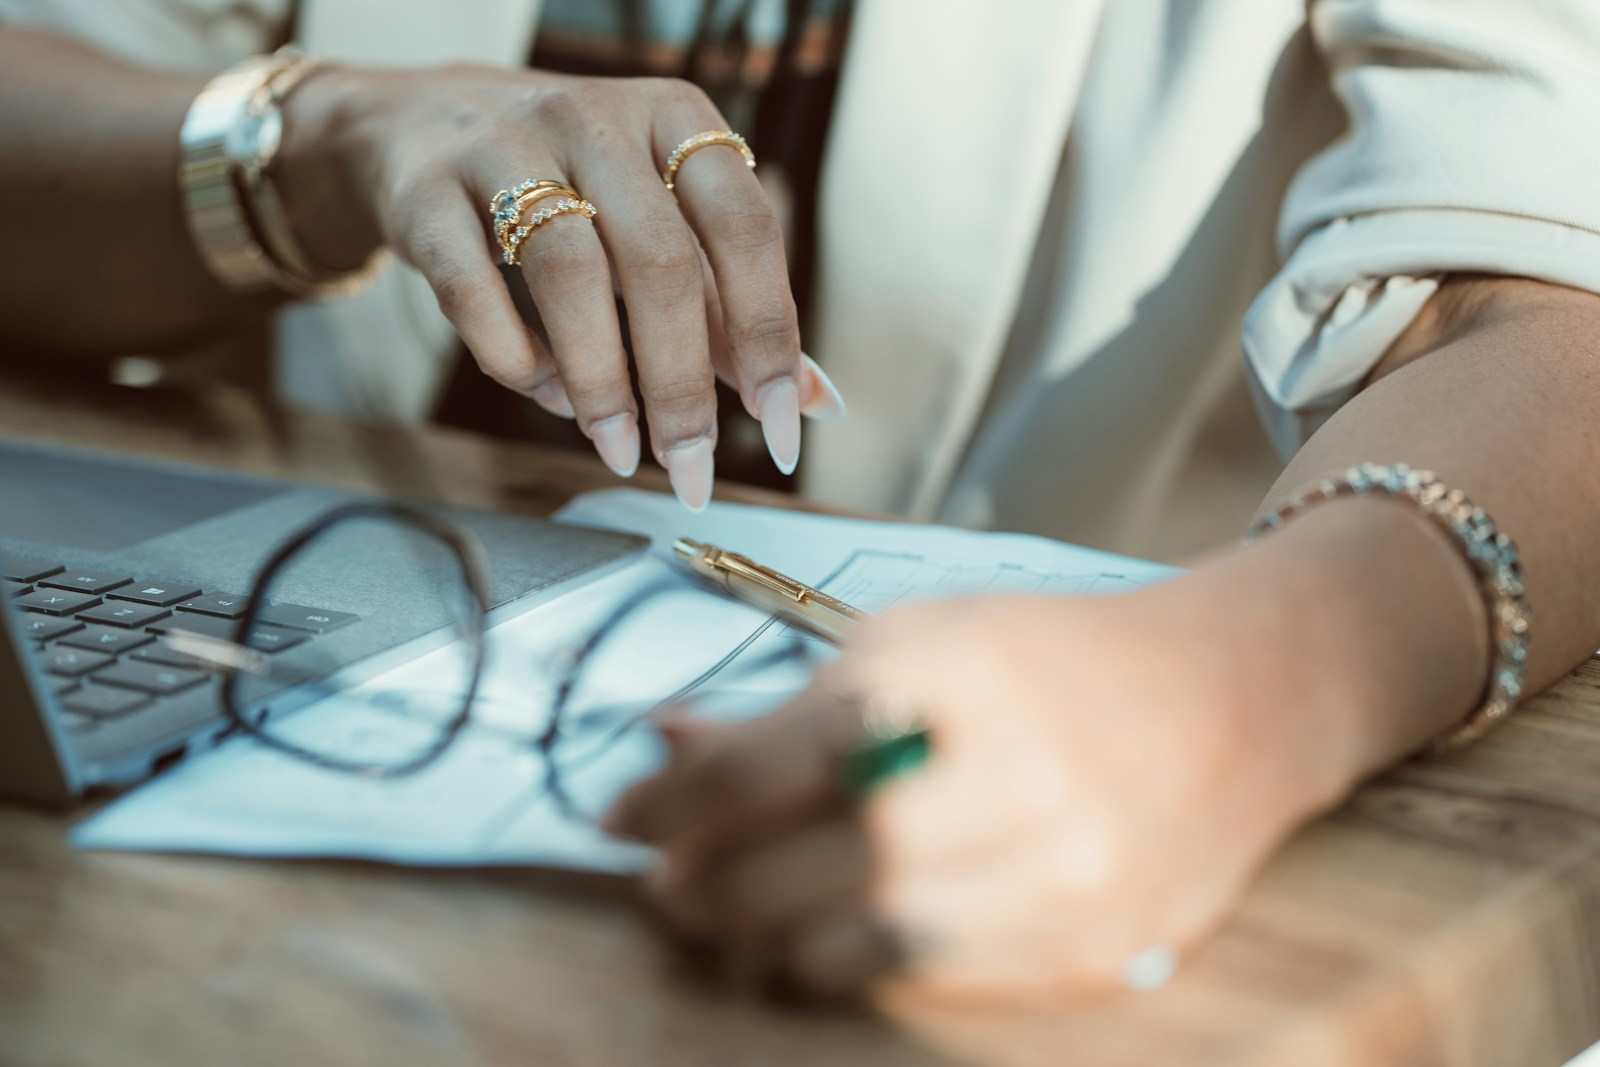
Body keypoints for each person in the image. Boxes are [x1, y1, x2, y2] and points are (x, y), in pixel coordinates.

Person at [3, 0, 1600, 1001]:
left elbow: (1547, 302)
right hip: (282, 793)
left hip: (985, 791)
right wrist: (324, 129)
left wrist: (1252, 684)